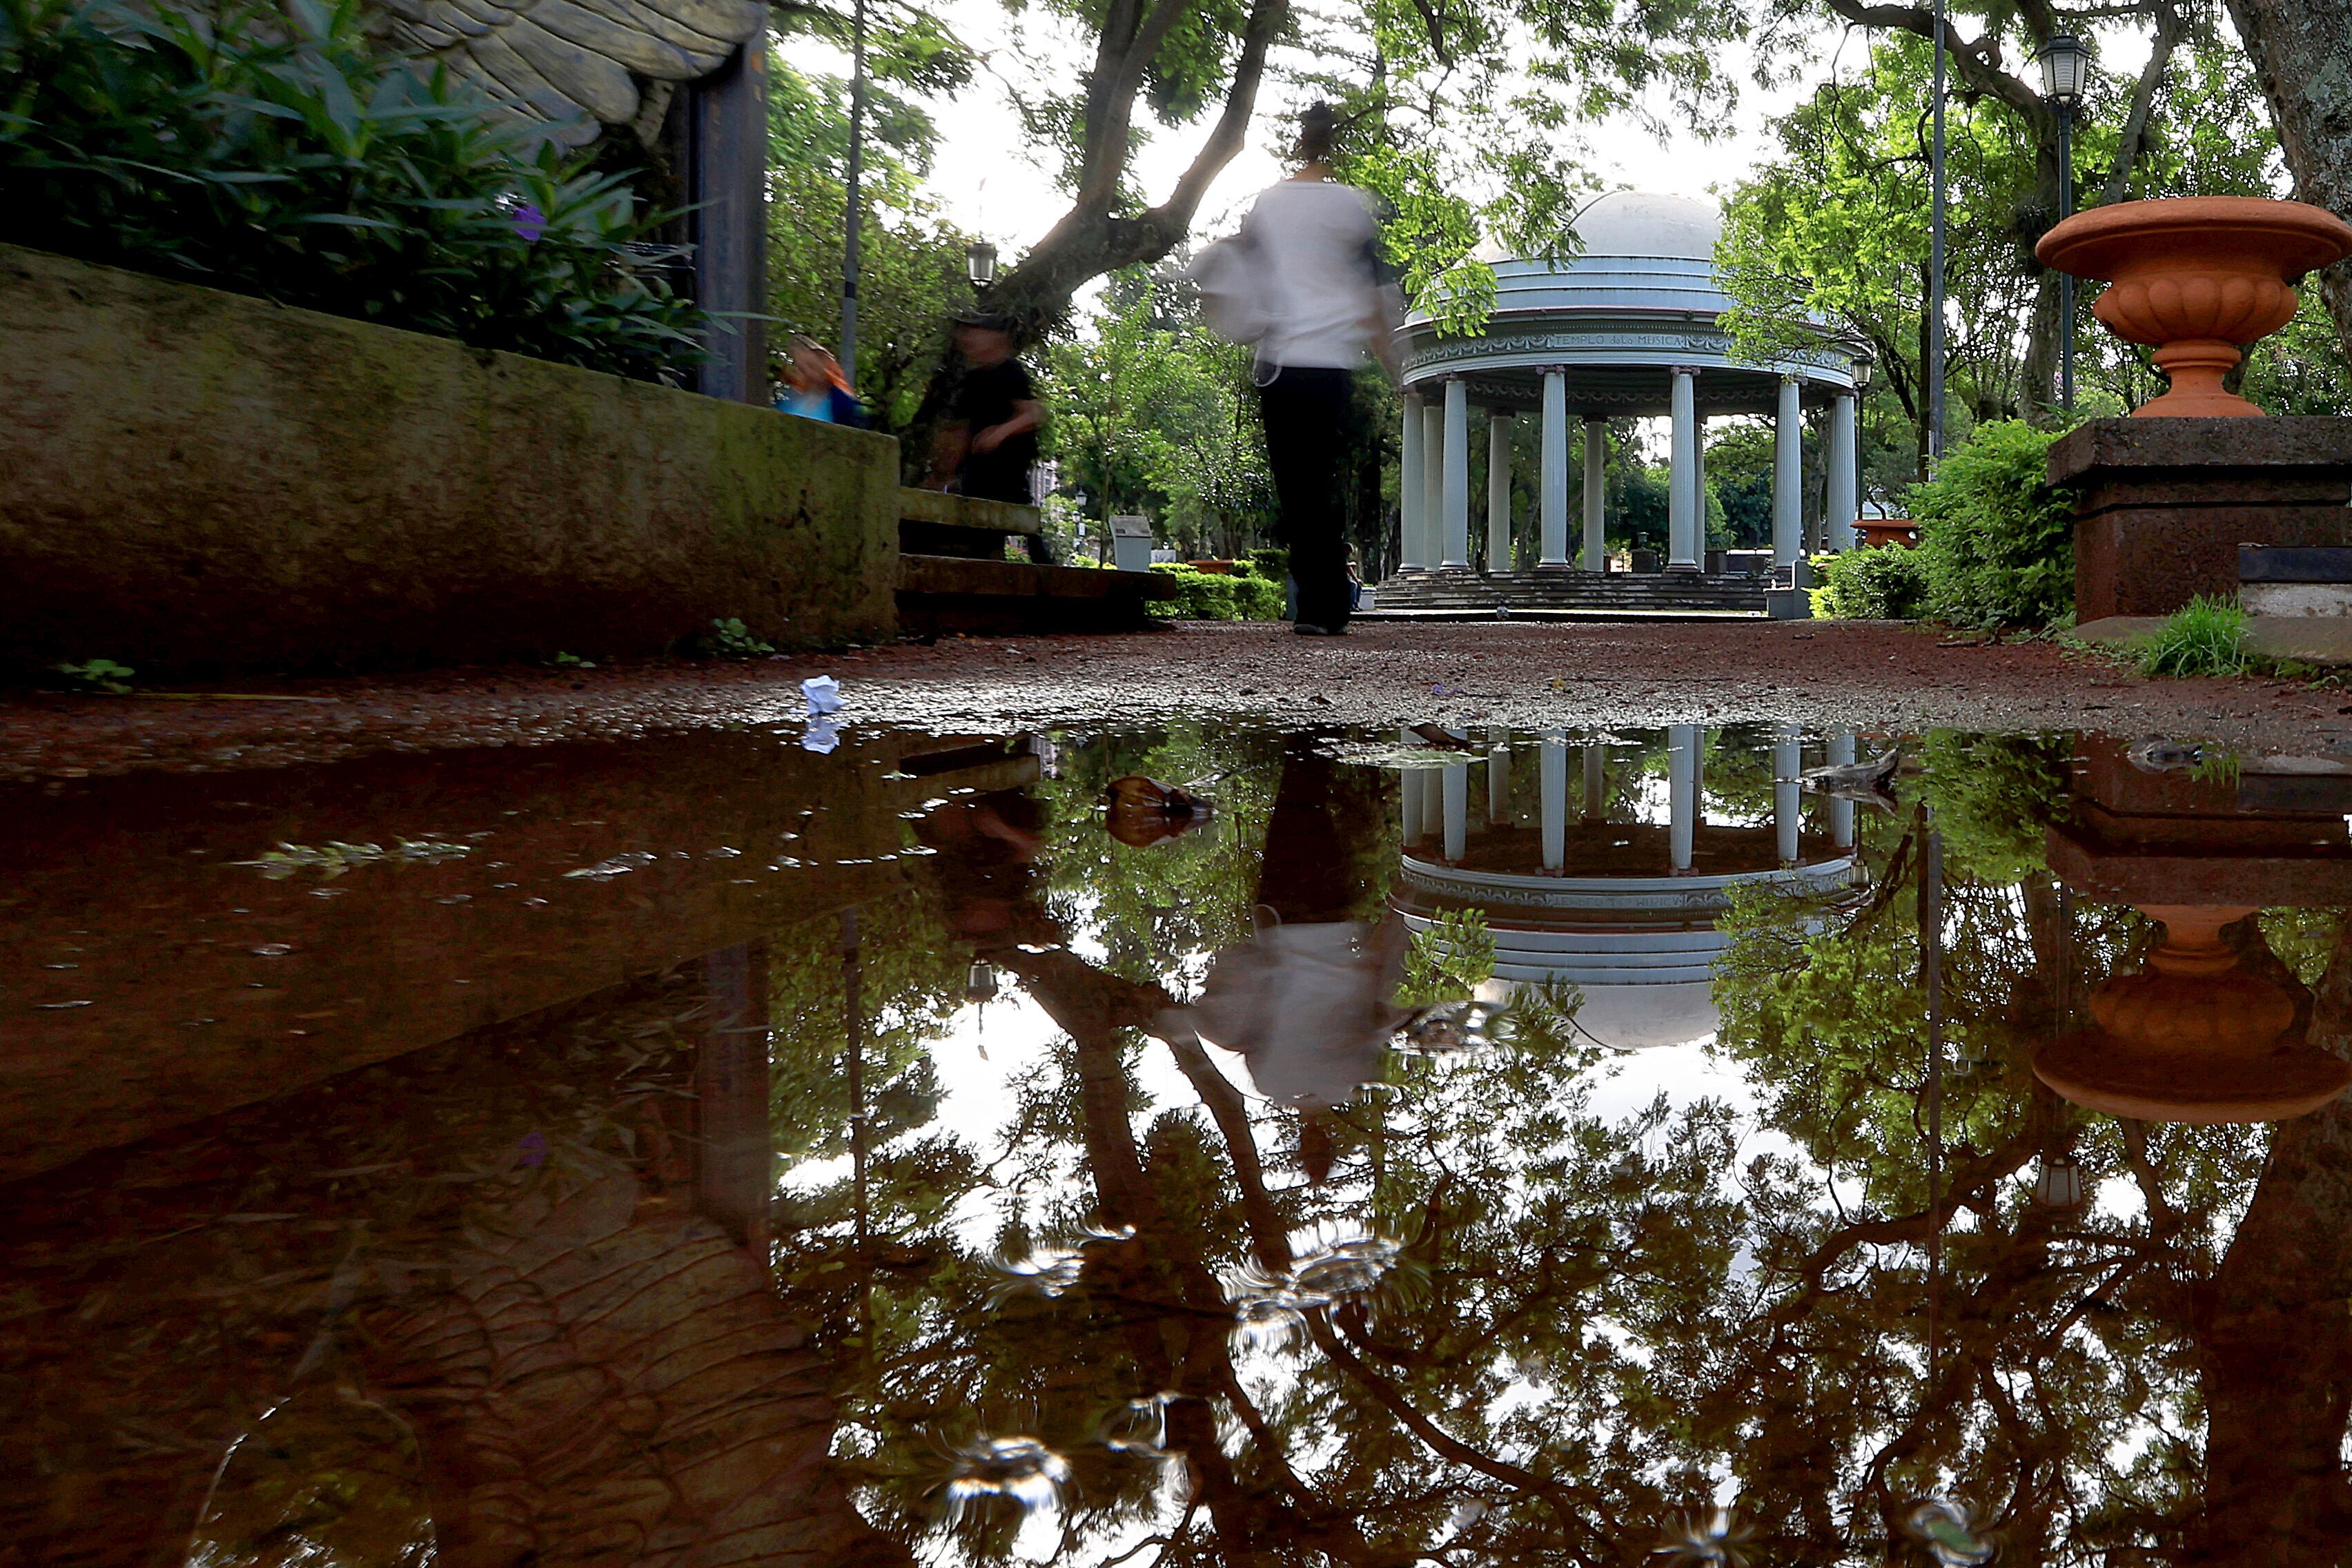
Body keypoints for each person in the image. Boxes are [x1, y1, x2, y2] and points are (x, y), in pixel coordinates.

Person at [1236, 101, 1402, 636]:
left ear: (1296, 142)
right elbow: (1374, 297)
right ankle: (1328, 603)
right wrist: (1395, 367)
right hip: (1332, 365)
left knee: (1296, 487)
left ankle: (1315, 602)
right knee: (1321, 482)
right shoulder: (1355, 206)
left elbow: (1247, 279)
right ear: (1335, 147)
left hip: (1282, 362)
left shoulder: (1268, 204)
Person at [928, 313, 1043, 504]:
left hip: (1005, 477)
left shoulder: (1010, 372)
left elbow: (1034, 414)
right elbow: (962, 431)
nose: (967, 339)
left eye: (974, 334)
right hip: (975, 478)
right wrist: (943, 470)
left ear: (994, 337)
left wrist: (999, 433)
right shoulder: (973, 379)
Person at [773, 334, 868, 427]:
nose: (807, 372)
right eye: (801, 367)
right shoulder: (789, 401)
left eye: (811, 366)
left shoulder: (843, 403)